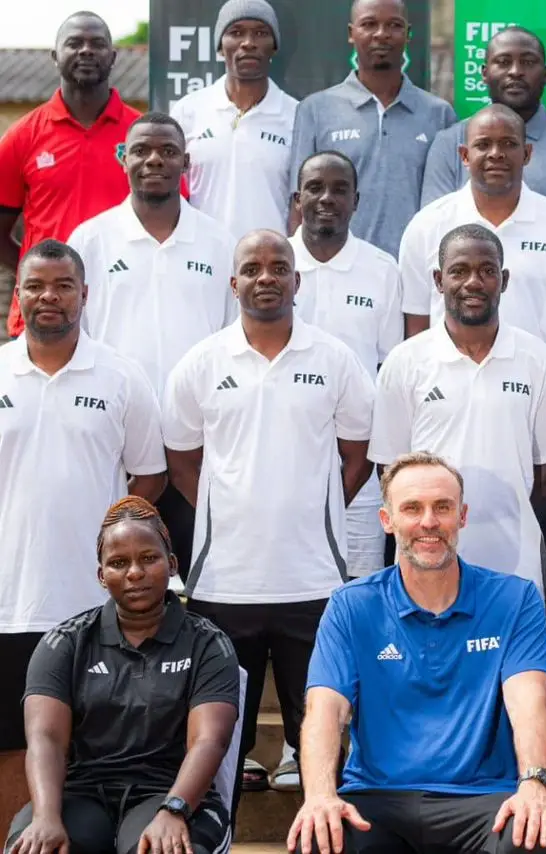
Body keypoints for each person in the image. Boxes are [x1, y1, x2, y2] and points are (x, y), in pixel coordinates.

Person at [162, 229, 376, 814]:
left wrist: (316, 507)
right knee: (220, 737)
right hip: (225, 583)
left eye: (278, 266)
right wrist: (229, 507)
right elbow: (182, 463)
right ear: (233, 283)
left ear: (296, 280)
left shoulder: (335, 358)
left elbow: (357, 455)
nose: (265, 277)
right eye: (252, 268)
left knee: (321, 729)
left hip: (313, 582)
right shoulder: (201, 363)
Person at [286, 453, 546, 854]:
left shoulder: (514, 599)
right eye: (412, 508)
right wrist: (319, 796)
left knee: (534, 838)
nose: (429, 522)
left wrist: (535, 783)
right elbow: (324, 712)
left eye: (442, 507)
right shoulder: (351, 605)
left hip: (484, 800)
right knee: (319, 839)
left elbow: (529, 703)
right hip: (377, 797)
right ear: (387, 520)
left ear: (462, 516)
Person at [0, 239, 168, 826]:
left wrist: (111, 549)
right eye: (37, 286)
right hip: (7, 603)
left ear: (85, 295)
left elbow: (151, 472)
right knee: (12, 747)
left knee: (92, 752)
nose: (50, 296)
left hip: (94, 607)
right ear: (19, 296)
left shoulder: (122, 376)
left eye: (63, 285)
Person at [5, 497, 240, 854]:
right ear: (102, 575)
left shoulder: (208, 643)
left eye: (149, 558)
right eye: (118, 563)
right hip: (81, 792)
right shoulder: (65, 643)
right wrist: (46, 816)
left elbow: (209, 741)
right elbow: (46, 739)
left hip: (170, 790)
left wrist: (174, 809)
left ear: (172, 564)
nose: (134, 572)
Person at [67, 112, 236, 581]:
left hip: (197, 442)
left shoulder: (218, 242)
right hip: (116, 438)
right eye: (140, 150)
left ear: (186, 161)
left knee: (203, 575)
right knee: (117, 575)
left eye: (167, 151)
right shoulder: (91, 240)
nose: (154, 160)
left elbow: (231, 336)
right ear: (124, 159)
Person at [371, 224, 546, 594]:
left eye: (487, 270)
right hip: (424, 562)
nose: (473, 282)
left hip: (514, 563)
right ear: (438, 280)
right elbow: (391, 469)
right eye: (459, 271)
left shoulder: (538, 359)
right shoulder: (405, 362)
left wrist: (505, 512)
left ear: (504, 280)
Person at [399, 104, 546, 361]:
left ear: (527, 154)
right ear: (464, 155)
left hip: (535, 391)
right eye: (483, 145)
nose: (496, 154)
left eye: (508, 144)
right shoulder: (426, 226)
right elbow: (416, 327)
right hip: (445, 391)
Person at [290, 150, 403, 579]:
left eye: (340, 189)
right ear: (297, 198)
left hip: (361, 468)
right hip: (282, 457)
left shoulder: (381, 270)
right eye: (315, 188)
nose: (327, 198)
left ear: (356, 200)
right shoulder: (270, 263)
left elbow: (390, 371)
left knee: (355, 587)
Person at [0, 12, 142, 338]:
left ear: (113, 57)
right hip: (44, 314)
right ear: (55, 57)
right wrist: (41, 276)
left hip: (121, 308)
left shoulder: (140, 136)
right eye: (74, 43)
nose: (86, 51)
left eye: (97, 44)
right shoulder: (23, 136)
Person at [288, 0, 458, 257]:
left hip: (414, 268)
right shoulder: (315, 109)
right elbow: (298, 205)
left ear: (409, 34)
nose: (381, 34)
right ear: (350, 33)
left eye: (393, 25)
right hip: (338, 265)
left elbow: (448, 207)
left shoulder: (439, 114)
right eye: (369, 24)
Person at [419, 27, 546, 220]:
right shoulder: (450, 142)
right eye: (503, 62)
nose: (516, 72)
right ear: (484, 73)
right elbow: (435, 225)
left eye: (528, 62)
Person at [171, 0, 298, 240]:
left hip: (269, 269)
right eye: (236, 32)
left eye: (260, 33)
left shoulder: (295, 115)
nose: (248, 43)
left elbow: (301, 205)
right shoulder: (188, 111)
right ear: (220, 47)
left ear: (274, 47)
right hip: (201, 260)